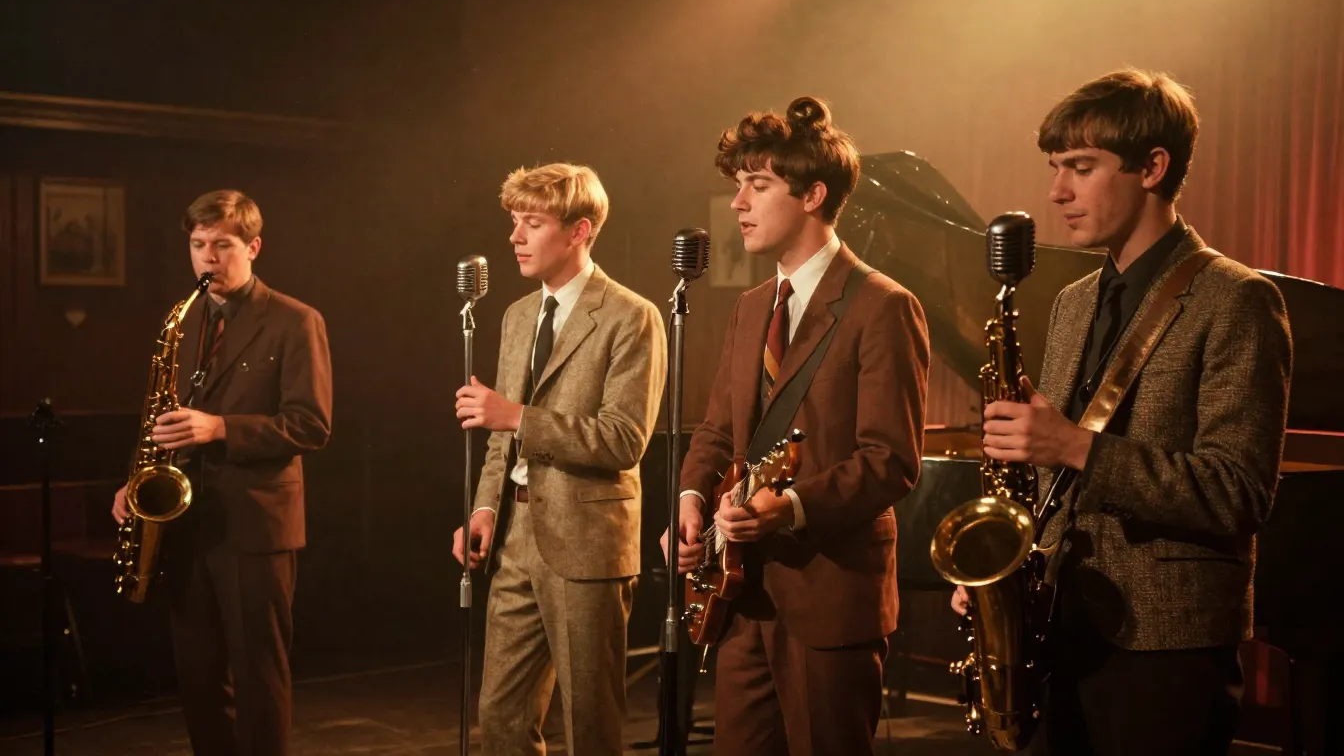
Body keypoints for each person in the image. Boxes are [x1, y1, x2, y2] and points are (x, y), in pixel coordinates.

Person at [954, 69, 1293, 755]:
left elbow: (1237, 493)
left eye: (1081, 168)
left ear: (1153, 168)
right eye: (1055, 168)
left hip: (1163, 647)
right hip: (1061, 628)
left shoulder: (1236, 300)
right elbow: (1055, 485)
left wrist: (1074, 447)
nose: (1058, 191)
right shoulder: (1074, 300)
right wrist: (1007, 574)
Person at [663, 96, 931, 756]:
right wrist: (691, 499)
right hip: (740, 595)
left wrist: (791, 508)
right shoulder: (751, 306)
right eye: (738, 185)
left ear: (813, 195)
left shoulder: (884, 306)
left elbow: (891, 460)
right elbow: (718, 430)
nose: (737, 203)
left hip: (830, 598)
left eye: (758, 185)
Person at [452, 162, 667, 755]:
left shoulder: (631, 315)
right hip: (515, 536)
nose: (515, 237)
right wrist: (485, 509)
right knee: (501, 717)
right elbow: (499, 439)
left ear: (579, 231)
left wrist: (518, 417)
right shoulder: (518, 315)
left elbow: (623, 439)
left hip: (587, 542)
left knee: (589, 722)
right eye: (514, 222)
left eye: (533, 223)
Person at [112, 189, 333, 756]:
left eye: (223, 245)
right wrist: (134, 479)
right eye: (198, 245)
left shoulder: (295, 320)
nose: (208, 258)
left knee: (258, 674)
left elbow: (311, 425)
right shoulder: (182, 321)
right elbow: (158, 415)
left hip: (255, 525)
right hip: (188, 524)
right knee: (199, 677)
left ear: (253, 247)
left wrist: (220, 429)